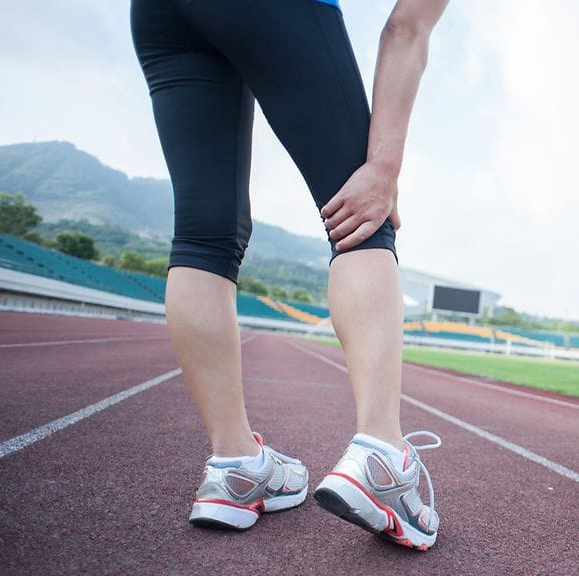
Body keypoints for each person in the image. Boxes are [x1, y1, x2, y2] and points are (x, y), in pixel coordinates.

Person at [130, 0, 449, 551]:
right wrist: (384, 168)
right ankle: (381, 456)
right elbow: (406, 26)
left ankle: (235, 466)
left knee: (203, 240)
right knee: (362, 215)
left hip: (161, 12)